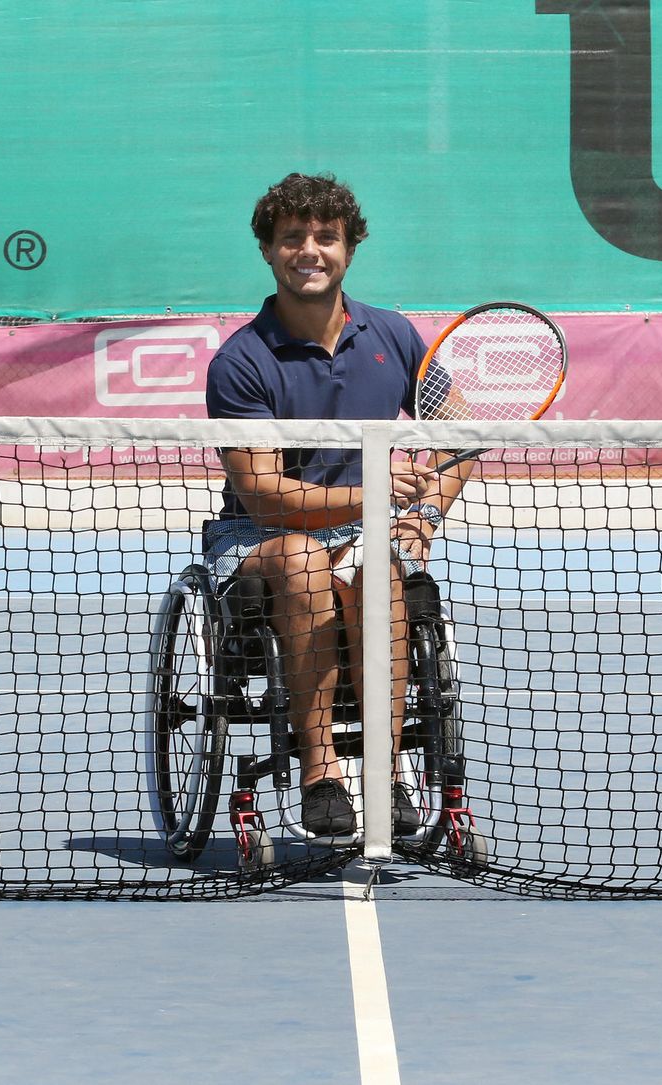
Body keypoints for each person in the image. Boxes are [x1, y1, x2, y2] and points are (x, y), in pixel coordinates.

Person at [203, 172, 470, 837]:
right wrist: (374, 496)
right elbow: (264, 493)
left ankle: (381, 770)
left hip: (364, 529)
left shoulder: (394, 336)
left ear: (350, 248)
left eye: (326, 236)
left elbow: (460, 433)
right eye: (292, 237)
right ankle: (323, 772)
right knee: (299, 559)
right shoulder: (241, 361)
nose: (310, 250)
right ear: (268, 250)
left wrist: (424, 514)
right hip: (259, 537)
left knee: (374, 564)